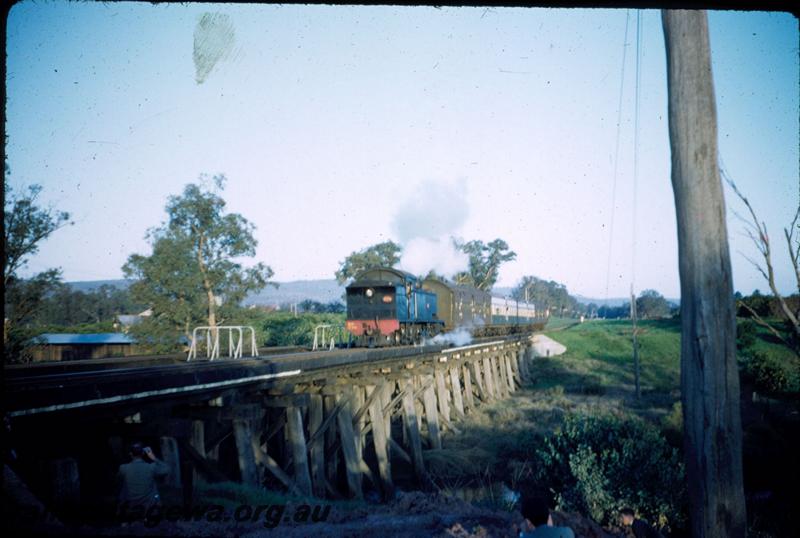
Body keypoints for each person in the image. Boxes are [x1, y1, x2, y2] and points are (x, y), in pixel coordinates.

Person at [117, 442, 169, 519]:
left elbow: (118, 481)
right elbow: (167, 469)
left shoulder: (123, 468)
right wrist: (154, 458)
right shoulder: (151, 467)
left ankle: (123, 514)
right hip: (149, 506)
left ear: (130, 454)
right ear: (143, 453)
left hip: (131, 505)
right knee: (154, 488)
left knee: (124, 486)